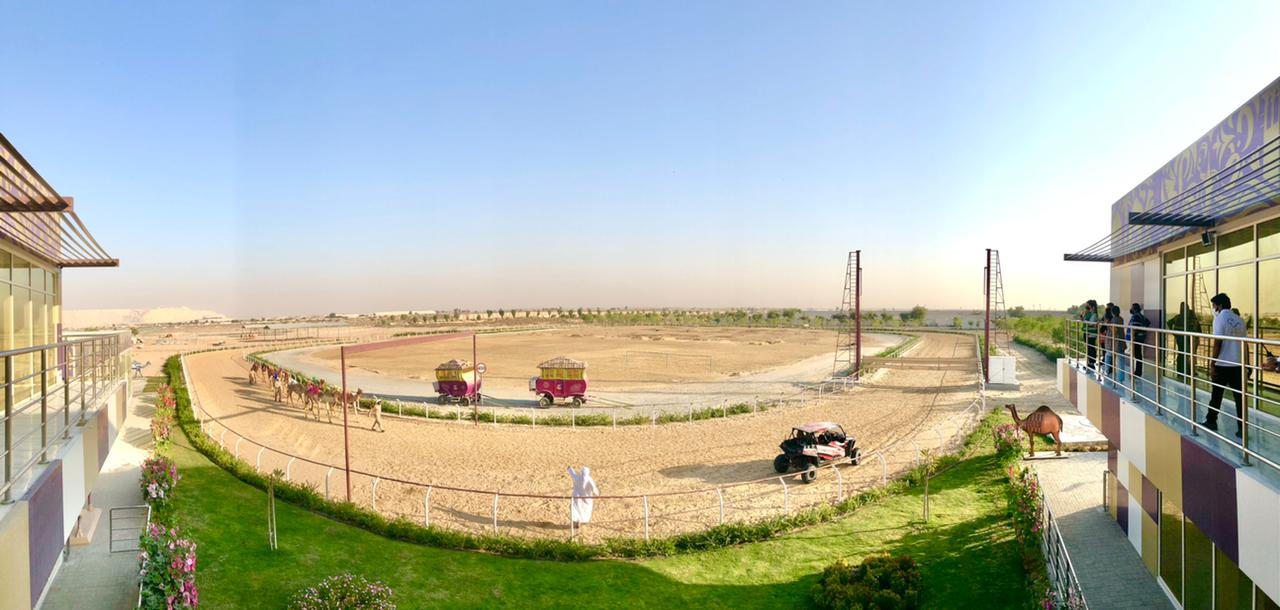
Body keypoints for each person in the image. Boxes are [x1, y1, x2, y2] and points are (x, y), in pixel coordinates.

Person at [1203, 293, 1247, 437]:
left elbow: (1217, 343)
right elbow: (1244, 344)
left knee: (1216, 394)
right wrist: (1246, 364)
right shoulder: (1240, 320)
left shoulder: (1219, 319)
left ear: (1220, 305)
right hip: (1238, 364)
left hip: (1222, 364)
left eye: (1214, 305)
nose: (1214, 308)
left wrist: (1212, 363)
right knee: (1240, 398)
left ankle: (1211, 421)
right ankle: (1242, 428)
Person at [1128, 303, 1150, 379]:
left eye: (1132, 308)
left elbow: (1134, 328)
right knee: (1138, 355)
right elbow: (1147, 322)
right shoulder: (1141, 316)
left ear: (1134, 309)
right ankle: (1137, 372)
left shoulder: (1136, 317)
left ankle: (1137, 373)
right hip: (1140, 338)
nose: (1130, 309)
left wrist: (1133, 337)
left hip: (1136, 339)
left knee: (1136, 355)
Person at [1081, 300, 1099, 371]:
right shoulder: (1090, 313)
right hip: (1087, 333)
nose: (1086, 306)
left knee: (1091, 348)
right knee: (1089, 348)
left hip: (1091, 334)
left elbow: (1091, 323)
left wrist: (1085, 321)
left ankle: (1092, 363)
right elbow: (1085, 321)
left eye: (1087, 305)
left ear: (1091, 306)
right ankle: (1089, 363)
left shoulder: (1094, 314)